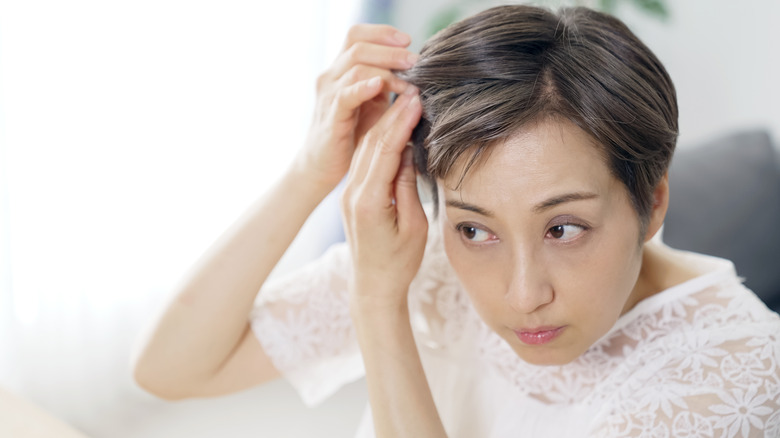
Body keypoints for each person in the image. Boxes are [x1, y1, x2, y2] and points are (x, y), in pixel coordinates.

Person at [132, 5, 780, 437]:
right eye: (476, 228)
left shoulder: (740, 377)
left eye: (563, 229)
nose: (522, 295)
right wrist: (311, 173)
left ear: (654, 202)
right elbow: (171, 367)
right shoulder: (430, 262)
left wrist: (379, 306)